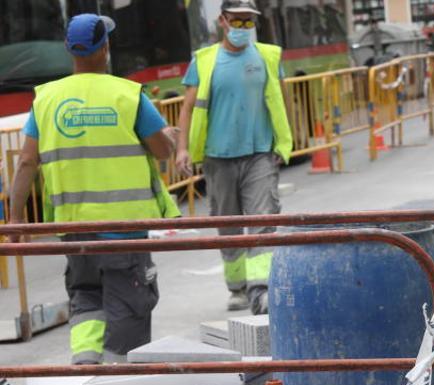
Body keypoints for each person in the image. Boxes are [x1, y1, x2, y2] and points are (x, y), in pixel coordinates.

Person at [6, 14, 181, 364]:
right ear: (105, 48)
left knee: (87, 299)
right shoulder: (127, 95)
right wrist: (171, 139)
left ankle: (85, 368)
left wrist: (15, 221)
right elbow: (161, 151)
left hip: (74, 232)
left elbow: (27, 163)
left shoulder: (46, 99)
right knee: (128, 308)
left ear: (70, 50)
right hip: (123, 231)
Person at [175, 0, 292, 315]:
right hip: (218, 156)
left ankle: (261, 289)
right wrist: (183, 148)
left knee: (262, 221)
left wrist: (284, 141)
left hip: (259, 154)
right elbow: (187, 108)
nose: (243, 28)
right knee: (228, 225)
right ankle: (237, 287)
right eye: (237, 21)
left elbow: (282, 98)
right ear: (223, 21)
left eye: (248, 22)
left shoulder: (268, 56)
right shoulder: (205, 61)